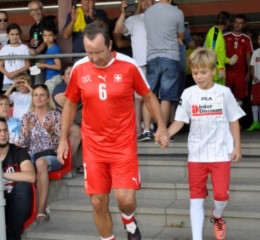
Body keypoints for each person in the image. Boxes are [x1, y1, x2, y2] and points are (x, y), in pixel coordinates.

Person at [57, 22, 168, 240]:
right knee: (98, 202)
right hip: (93, 147)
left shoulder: (128, 65)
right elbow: (70, 104)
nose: (94, 58)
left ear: (109, 45)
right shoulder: (80, 68)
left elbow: (148, 96)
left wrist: (162, 126)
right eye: (89, 53)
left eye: (99, 52)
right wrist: (63, 138)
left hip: (123, 144)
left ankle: (129, 219)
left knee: (125, 201)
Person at [162, 47, 245, 240]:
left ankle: (217, 215)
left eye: (203, 72)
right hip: (196, 155)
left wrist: (237, 147)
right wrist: (166, 134)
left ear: (213, 70)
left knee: (221, 196)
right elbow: (179, 121)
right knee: (196, 199)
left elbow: (234, 120)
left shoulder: (224, 93)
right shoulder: (188, 93)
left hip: (221, 153)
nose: (199, 76)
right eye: (195, 72)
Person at [19, 84, 61, 224]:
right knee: (26, 162)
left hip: (51, 156)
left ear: (48, 98)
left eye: (42, 95)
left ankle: (41, 209)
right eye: (35, 95)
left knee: (40, 162)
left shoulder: (56, 115)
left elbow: (60, 145)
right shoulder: (27, 117)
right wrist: (28, 131)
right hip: (31, 154)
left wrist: (50, 132)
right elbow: (23, 145)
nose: (38, 98)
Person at [114, 0, 155, 141]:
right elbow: (118, 30)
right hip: (139, 64)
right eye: (142, 0)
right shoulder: (134, 19)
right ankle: (138, 131)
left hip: (156, 61)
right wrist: (123, 13)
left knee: (155, 97)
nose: (145, 2)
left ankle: (151, 129)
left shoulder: (159, 16)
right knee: (138, 100)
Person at [144, 0, 184, 134]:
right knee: (166, 96)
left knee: (149, 95)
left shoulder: (148, 12)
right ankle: (163, 131)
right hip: (171, 57)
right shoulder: (177, 12)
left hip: (151, 57)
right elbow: (180, 37)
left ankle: (146, 129)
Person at [52, 65, 82, 176]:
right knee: (76, 131)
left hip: (78, 121)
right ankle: (65, 165)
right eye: (69, 73)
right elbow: (68, 103)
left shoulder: (81, 86)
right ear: (63, 76)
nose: (72, 76)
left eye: (74, 73)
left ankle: (81, 164)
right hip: (59, 122)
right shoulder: (60, 87)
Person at [224, 14, 253, 106]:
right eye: (236, 22)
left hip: (241, 73)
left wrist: (249, 72)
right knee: (225, 95)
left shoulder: (247, 39)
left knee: (240, 97)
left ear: (244, 25)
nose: (237, 25)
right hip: (227, 71)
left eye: (240, 23)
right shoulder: (224, 36)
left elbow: (248, 56)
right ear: (233, 23)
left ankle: (238, 120)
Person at [28, 0, 57, 85]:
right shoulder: (32, 28)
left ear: (42, 10)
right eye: (33, 10)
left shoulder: (48, 21)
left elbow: (46, 41)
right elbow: (33, 43)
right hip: (36, 59)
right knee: (34, 83)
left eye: (38, 9)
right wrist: (31, 43)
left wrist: (36, 51)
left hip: (46, 57)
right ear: (30, 12)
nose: (36, 12)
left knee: (39, 84)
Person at [204, 11, 236, 86]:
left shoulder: (218, 33)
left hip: (217, 70)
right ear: (227, 21)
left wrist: (229, 60)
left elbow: (218, 54)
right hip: (215, 71)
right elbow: (212, 53)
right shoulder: (215, 33)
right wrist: (220, 68)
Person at [0, 23, 30, 91]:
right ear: (7, 35)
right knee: (7, 100)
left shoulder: (24, 48)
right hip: (7, 81)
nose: (14, 37)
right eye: (12, 34)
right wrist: (8, 74)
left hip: (21, 80)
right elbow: (0, 66)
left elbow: (27, 65)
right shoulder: (4, 48)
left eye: (17, 34)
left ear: (20, 35)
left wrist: (15, 73)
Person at [36, 27, 62, 95]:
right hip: (51, 77)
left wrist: (44, 65)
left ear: (55, 36)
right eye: (45, 35)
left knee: (50, 99)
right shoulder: (48, 49)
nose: (47, 37)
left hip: (54, 78)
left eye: (50, 35)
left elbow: (58, 66)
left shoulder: (54, 48)